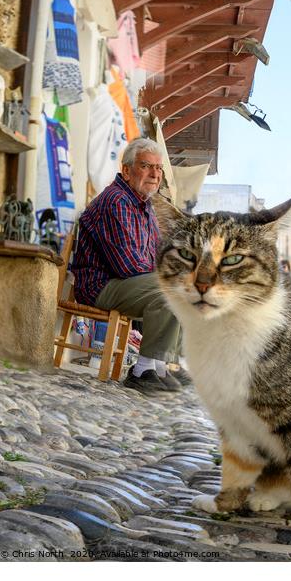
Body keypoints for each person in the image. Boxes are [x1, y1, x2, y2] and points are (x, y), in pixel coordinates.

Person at [71, 137, 189, 393]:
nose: (154, 174)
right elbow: (128, 265)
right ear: (126, 170)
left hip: (123, 283)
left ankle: (160, 366)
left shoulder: (144, 206)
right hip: (100, 286)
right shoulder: (117, 201)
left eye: (158, 169)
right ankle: (141, 370)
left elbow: (158, 256)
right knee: (168, 290)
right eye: (146, 166)